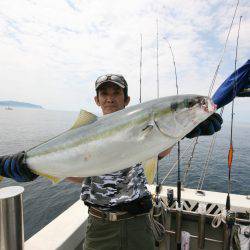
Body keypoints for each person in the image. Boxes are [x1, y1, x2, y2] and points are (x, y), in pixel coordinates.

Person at [0, 74, 223, 250]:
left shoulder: (146, 131)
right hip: (99, 226)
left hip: (138, 224)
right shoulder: (82, 135)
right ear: (96, 100)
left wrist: (189, 127)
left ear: (126, 100)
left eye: (117, 92)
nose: (110, 97)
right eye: (104, 93)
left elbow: (161, 147)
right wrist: (30, 166)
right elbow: (79, 174)